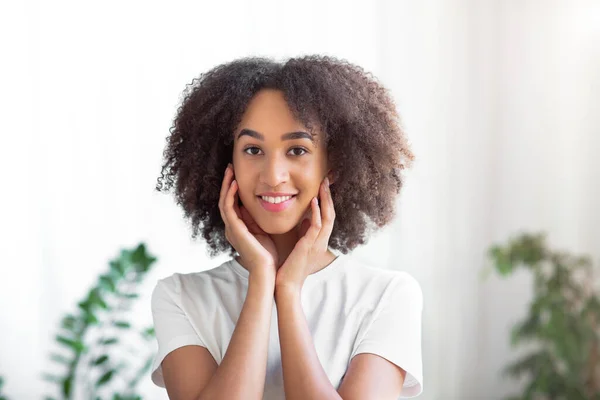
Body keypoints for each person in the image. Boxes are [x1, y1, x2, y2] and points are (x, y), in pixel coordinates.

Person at [150, 55, 423, 400]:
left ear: (334, 165)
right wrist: (261, 279)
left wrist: (289, 292)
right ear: (226, 163)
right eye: (252, 149)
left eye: (297, 150)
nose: (274, 175)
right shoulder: (181, 298)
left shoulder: (387, 296)